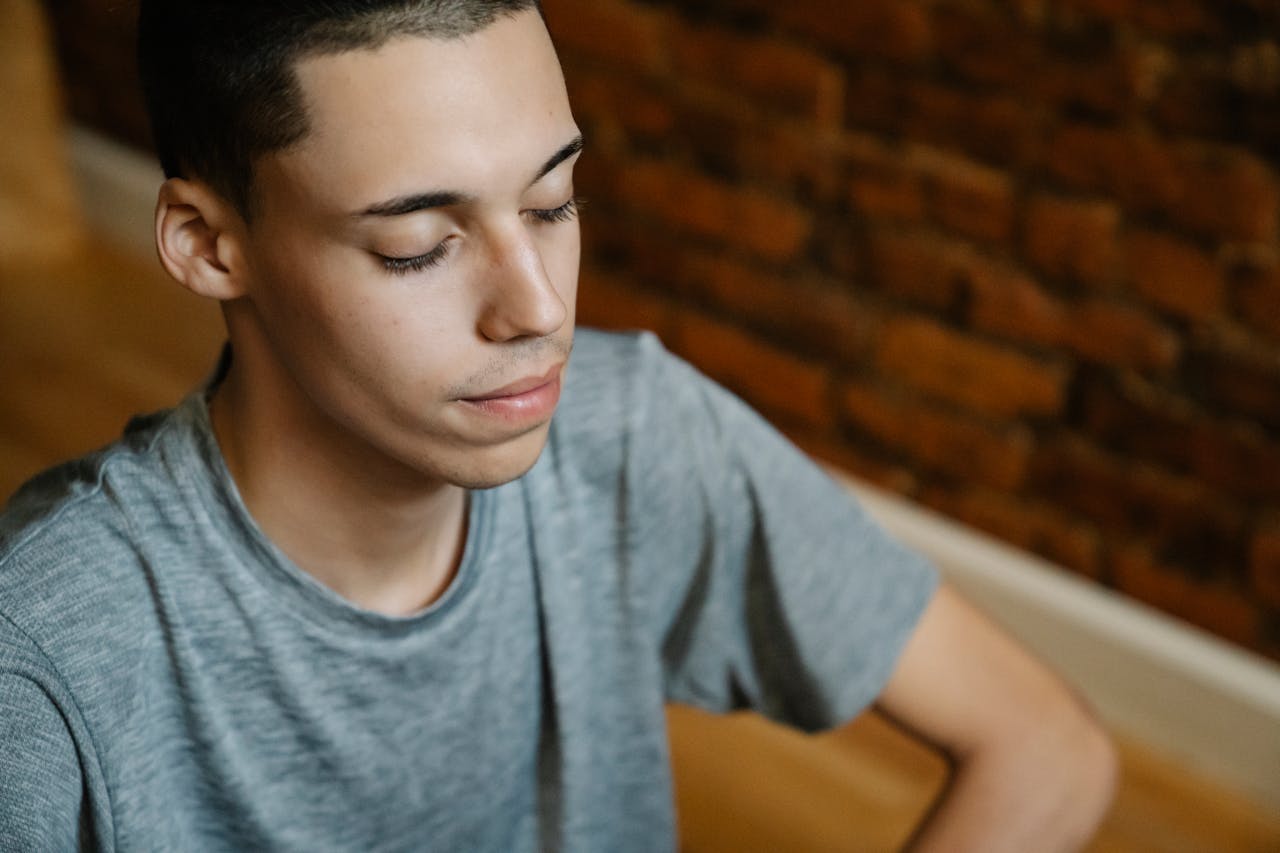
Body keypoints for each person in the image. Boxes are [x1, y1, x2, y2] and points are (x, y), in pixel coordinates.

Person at [0, 1, 1117, 850]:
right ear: (206, 243)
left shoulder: (625, 433)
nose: (536, 309)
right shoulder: (45, 648)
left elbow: (1045, 746)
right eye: (418, 247)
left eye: (551, 204)